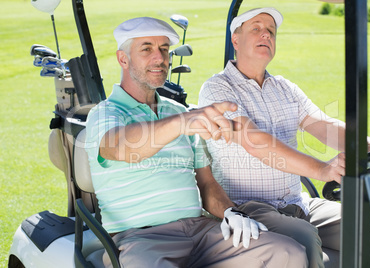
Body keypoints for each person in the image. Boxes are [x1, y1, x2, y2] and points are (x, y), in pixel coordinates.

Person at [84, 16, 308, 267]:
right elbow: (120, 146)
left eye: (164, 50)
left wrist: (230, 212)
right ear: (123, 59)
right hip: (142, 239)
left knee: (289, 252)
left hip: (202, 231)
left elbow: (206, 183)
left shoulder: (178, 111)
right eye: (147, 49)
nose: (159, 58)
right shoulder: (105, 113)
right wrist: (182, 122)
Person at [198, 7, 370, 268]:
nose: (266, 34)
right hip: (249, 208)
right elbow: (253, 141)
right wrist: (322, 169)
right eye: (256, 28)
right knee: (302, 241)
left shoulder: (285, 88)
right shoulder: (218, 88)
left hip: (299, 204)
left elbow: (327, 128)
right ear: (236, 40)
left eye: (271, 31)